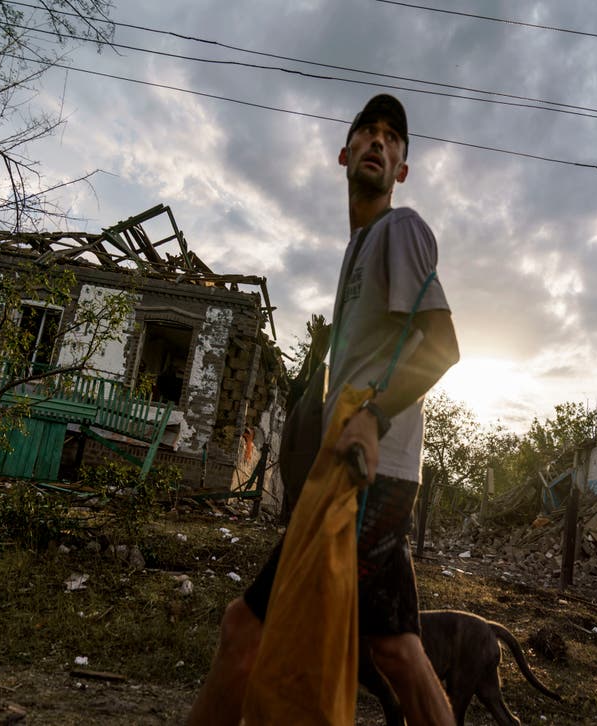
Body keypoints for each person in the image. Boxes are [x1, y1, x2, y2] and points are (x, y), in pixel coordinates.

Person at [187, 94, 459, 726]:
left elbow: (442, 346)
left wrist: (372, 417)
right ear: (344, 153)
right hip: (371, 472)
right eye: (368, 132)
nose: (379, 143)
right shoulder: (357, 250)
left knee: (243, 632)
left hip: (366, 471)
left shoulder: (400, 229)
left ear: (402, 170)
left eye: (393, 140)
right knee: (396, 649)